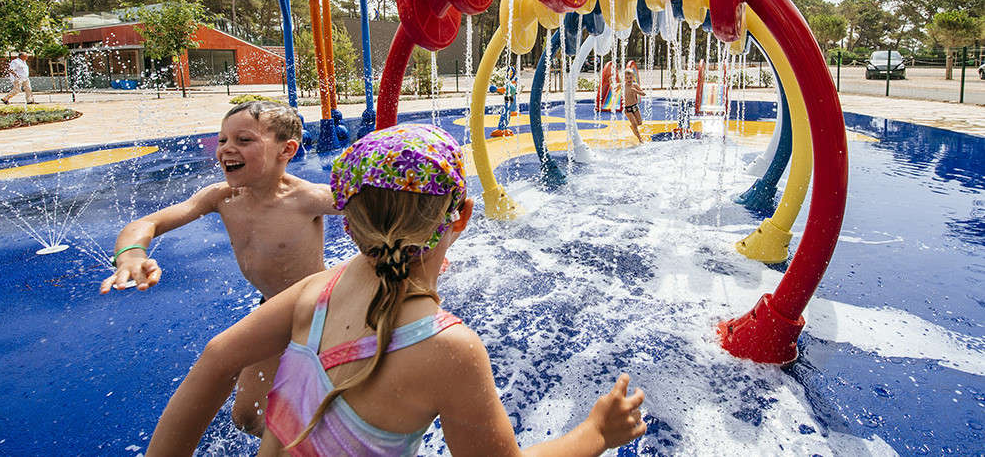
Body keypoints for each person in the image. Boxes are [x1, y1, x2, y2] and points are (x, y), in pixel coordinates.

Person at [145, 123, 647, 457]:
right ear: (462, 217)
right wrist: (595, 432)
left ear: (348, 225)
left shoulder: (317, 289)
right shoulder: (447, 348)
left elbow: (216, 358)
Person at [100, 100, 341, 435]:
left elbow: (379, 205)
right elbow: (146, 222)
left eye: (243, 140)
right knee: (248, 417)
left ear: (286, 150)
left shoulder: (307, 198)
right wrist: (130, 256)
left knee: (332, 400)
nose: (226, 149)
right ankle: (301, 442)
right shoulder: (220, 197)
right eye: (223, 140)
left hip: (318, 312)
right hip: (272, 310)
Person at [623, 67, 645, 143]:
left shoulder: (635, 85)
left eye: (630, 77)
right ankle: (640, 140)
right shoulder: (622, 86)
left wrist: (636, 91)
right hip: (627, 108)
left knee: (639, 123)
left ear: (633, 77)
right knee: (635, 124)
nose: (629, 79)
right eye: (627, 78)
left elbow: (643, 93)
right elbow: (614, 90)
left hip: (635, 106)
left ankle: (633, 127)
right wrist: (611, 84)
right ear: (624, 78)